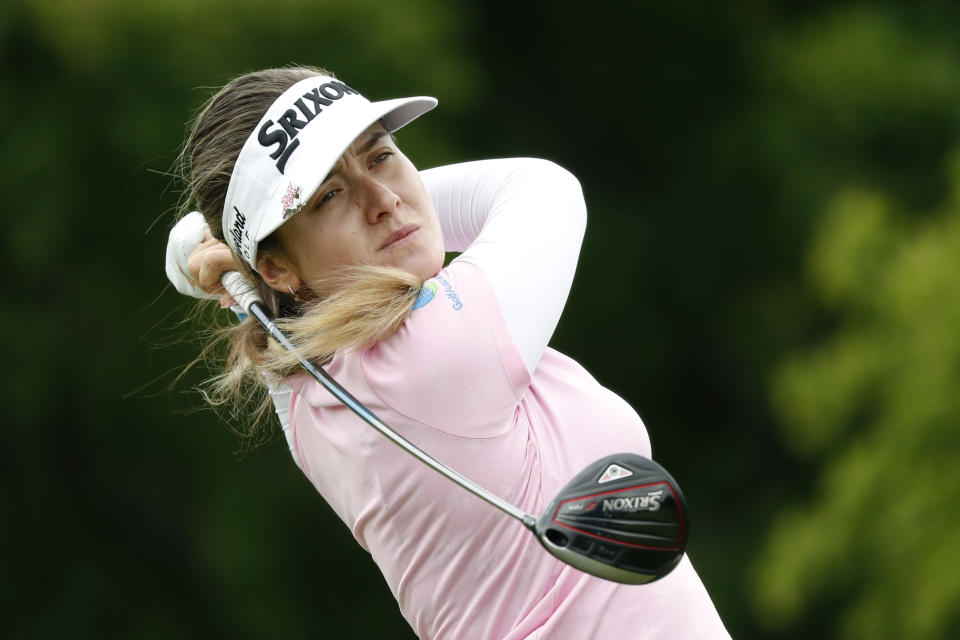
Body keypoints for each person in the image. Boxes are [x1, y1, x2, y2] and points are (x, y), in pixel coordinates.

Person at [166, 65, 730, 639]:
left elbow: (277, 319)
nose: (383, 199)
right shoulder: (432, 354)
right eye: (329, 196)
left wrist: (253, 267)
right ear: (278, 266)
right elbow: (543, 188)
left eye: (380, 155)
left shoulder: (312, 398)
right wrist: (247, 262)